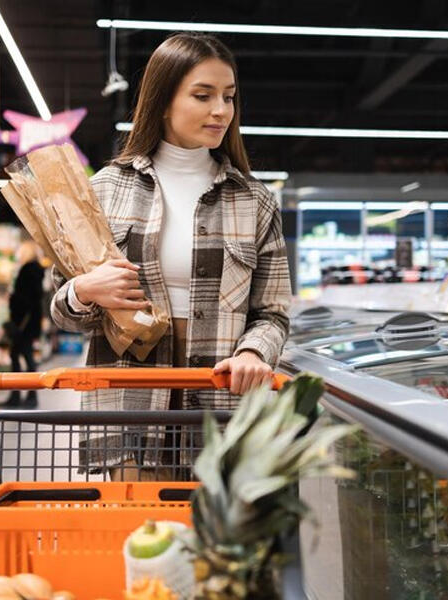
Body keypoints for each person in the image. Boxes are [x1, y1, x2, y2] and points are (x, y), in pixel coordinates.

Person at [50, 33, 292, 478]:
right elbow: (63, 311)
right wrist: (85, 290)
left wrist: (254, 354)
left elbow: (273, 312)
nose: (221, 110)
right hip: (128, 405)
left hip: (221, 406)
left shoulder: (253, 200)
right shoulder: (106, 189)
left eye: (228, 97)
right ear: (163, 101)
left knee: (213, 543)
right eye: (203, 95)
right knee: (141, 539)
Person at [1, 240, 45, 408]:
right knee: (24, 356)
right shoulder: (37, 270)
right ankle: (24, 395)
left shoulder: (28, 270)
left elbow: (26, 298)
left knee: (19, 356)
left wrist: (12, 298)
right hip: (30, 322)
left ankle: (22, 396)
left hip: (23, 323)